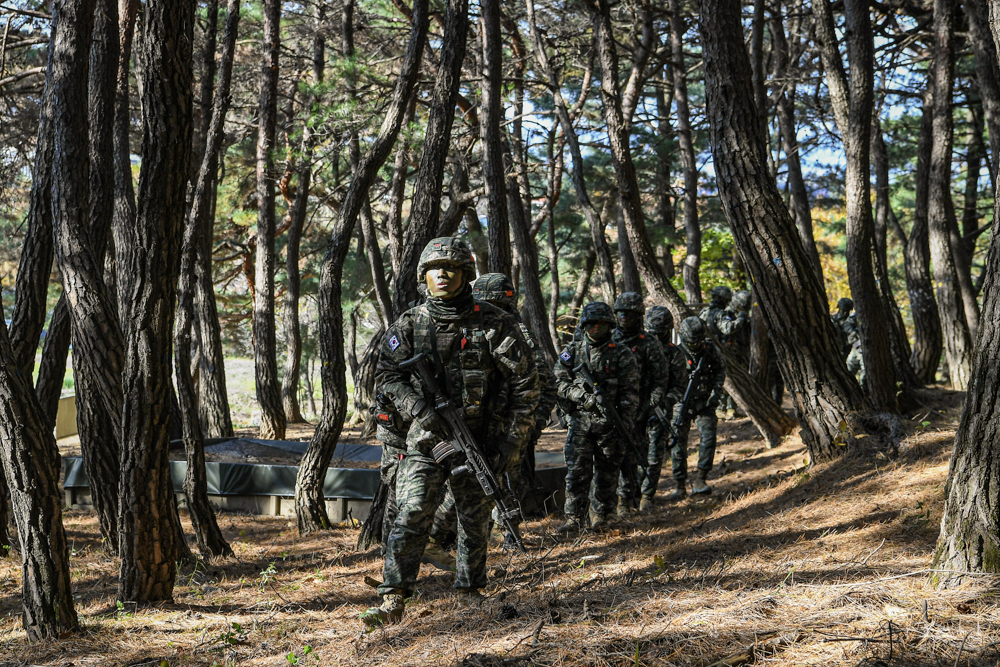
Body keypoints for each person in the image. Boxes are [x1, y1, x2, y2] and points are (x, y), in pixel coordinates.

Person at [361, 237, 539, 629]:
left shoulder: (494, 322)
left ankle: (470, 592)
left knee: (475, 519)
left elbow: (527, 385)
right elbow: (387, 376)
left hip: (479, 442)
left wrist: (512, 442)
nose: (442, 274)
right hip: (426, 442)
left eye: (452, 268)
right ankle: (393, 598)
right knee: (411, 513)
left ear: (465, 274)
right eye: (435, 268)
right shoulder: (410, 323)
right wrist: (419, 408)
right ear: (424, 275)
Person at [471, 273, 558, 545]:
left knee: (510, 480)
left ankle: (506, 531)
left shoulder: (518, 334)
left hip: (510, 424)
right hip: (476, 422)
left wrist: (533, 422)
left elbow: (544, 382)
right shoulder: (469, 331)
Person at [553, 302, 640, 533]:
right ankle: (573, 519)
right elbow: (558, 382)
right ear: (584, 324)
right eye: (592, 323)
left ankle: (603, 516)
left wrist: (624, 424)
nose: (596, 327)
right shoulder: (571, 351)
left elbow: (630, 391)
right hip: (580, 424)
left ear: (610, 325)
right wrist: (582, 396)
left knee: (607, 474)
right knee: (576, 474)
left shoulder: (621, 353)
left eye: (602, 323)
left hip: (610, 426)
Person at [611, 292, 671, 513]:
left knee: (632, 457)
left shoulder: (649, 344)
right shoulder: (608, 339)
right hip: (610, 410)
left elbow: (660, 380)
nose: (624, 317)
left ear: (638, 315)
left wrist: (648, 407)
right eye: (620, 313)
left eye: (629, 314)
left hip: (638, 412)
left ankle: (627, 501)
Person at [669, 317, 726, 498]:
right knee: (678, 443)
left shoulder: (709, 350)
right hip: (681, 403)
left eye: (698, 342)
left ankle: (701, 478)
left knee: (708, 439)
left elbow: (720, 371)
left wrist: (715, 396)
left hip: (704, 402)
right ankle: (679, 484)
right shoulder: (675, 353)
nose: (695, 345)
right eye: (691, 342)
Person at [640, 306, 689, 509]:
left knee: (654, 456)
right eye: (653, 333)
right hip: (634, 411)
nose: (656, 337)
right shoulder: (637, 349)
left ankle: (646, 496)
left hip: (660, 412)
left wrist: (665, 401)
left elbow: (680, 386)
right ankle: (627, 497)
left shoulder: (675, 354)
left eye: (660, 333)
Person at [831, 297, 864, 384]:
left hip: (848, 351)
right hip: (835, 351)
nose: (845, 313)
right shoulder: (832, 320)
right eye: (843, 310)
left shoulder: (852, 322)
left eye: (847, 311)